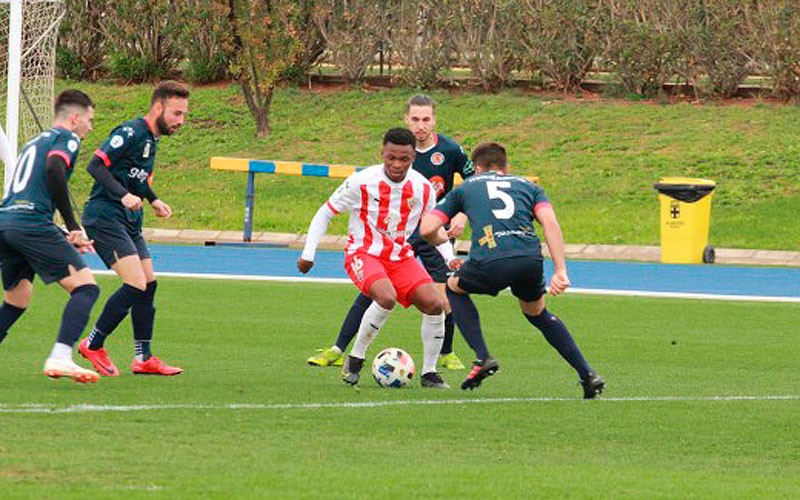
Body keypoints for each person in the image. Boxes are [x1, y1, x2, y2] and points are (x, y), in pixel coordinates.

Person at [420, 142, 606, 398]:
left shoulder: (466, 188)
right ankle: (587, 374)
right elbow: (550, 222)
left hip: (490, 259)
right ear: (506, 167)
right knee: (536, 312)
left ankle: (482, 356)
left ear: (476, 168)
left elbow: (427, 227)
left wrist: (441, 242)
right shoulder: (530, 186)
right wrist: (560, 270)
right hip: (529, 260)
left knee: (454, 288)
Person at [307, 94, 474, 371]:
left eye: (426, 119)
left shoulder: (451, 150)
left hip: (432, 230)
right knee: (377, 293)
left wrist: (461, 213)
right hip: (395, 237)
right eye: (415, 119)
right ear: (406, 120)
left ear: (434, 120)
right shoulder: (397, 149)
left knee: (444, 293)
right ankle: (340, 348)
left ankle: (445, 354)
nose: (420, 125)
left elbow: (474, 181)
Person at [298, 127, 452, 389]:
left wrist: (451, 260)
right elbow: (325, 213)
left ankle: (429, 373)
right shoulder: (361, 181)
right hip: (364, 252)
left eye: (404, 159)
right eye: (391, 157)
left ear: (413, 157)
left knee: (435, 304)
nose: (396, 164)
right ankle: (355, 359)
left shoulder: (423, 188)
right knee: (385, 296)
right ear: (382, 153)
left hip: (401, 257)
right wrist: (308, 253)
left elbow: (433, 229)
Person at [78, 80, 189, 377]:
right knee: (135, 283)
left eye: (183, 115)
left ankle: (143, 358)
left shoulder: (152, 140)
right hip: (105, 217)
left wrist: (153, 199)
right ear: (158, 107)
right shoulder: (130, 132)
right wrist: (122, 195)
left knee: (148, 284)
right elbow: (96, 165)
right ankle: (92, 344)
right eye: (176, 113)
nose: (181, 121)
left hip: (128, 221)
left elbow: (136, 179)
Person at [0, 89, 100, 383]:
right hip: (29, 223)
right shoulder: (66, 138)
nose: (90, 128)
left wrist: (58, 232)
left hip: (7, 221)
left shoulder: (33, 141)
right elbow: (54, 167)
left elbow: (26, 194)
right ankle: (61, 356)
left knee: (17, 299)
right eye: (90, 121)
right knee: (86, 288)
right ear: (74, 118)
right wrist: (72, 226)